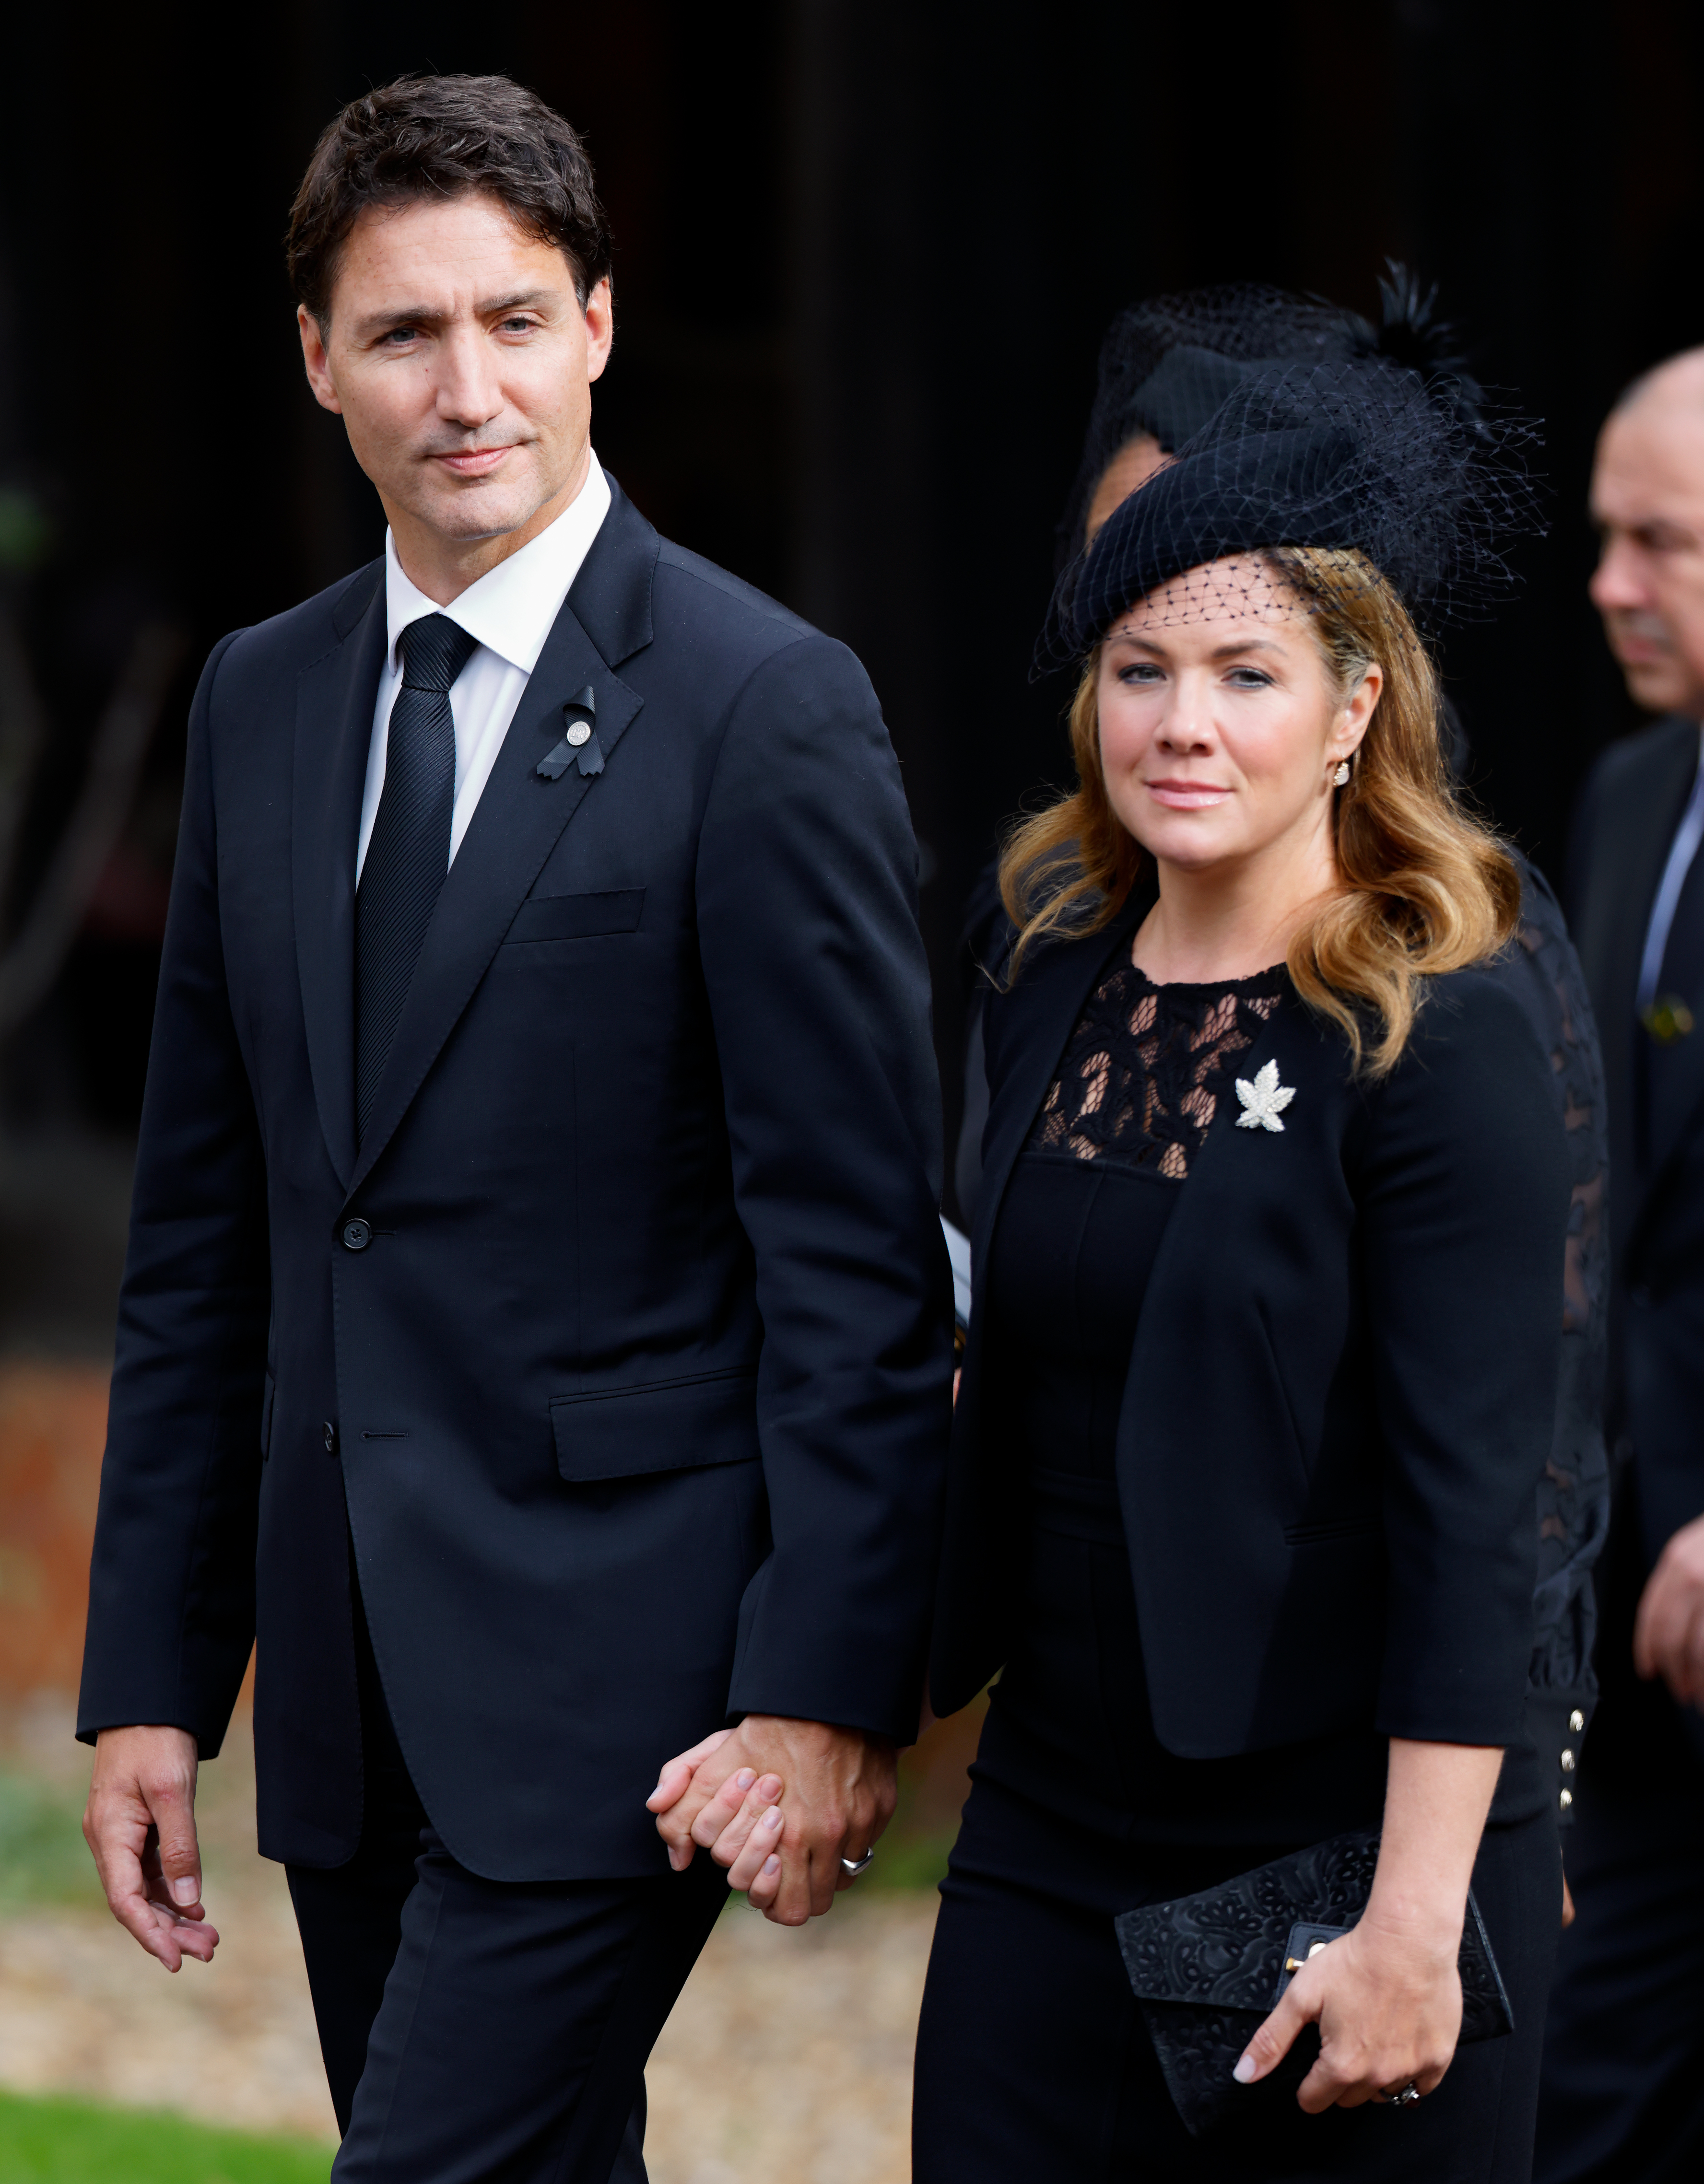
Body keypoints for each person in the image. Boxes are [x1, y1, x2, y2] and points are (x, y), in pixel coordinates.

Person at [74, 71, 952, 2184]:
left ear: (600, 325)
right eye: (402, 332)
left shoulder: (767, 703)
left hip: (630, 1685)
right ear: (317, 363)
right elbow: (212, 1235)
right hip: (351, 1687)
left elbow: (855, 1258)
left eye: (514, 319)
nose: (466, 386)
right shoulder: (260, 699)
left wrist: (827, 1690)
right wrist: (148, 1681)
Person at [912, 354, 1572, 2181]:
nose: (1181, 724)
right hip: (1048, 1815)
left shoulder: (1437, 1030)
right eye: (1140, 671)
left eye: (1245, 674)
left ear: (1356, 704)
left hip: (1335, 1847)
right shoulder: (1051, 968)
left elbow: (1474, 1518)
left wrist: (1415, 1922)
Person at [1535, 347, 1704, 2184]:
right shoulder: (1632, 795)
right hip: (1630, 1595)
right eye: (1604, 534)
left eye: (1657, 541)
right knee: (1581, 2095)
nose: (1607, 583)